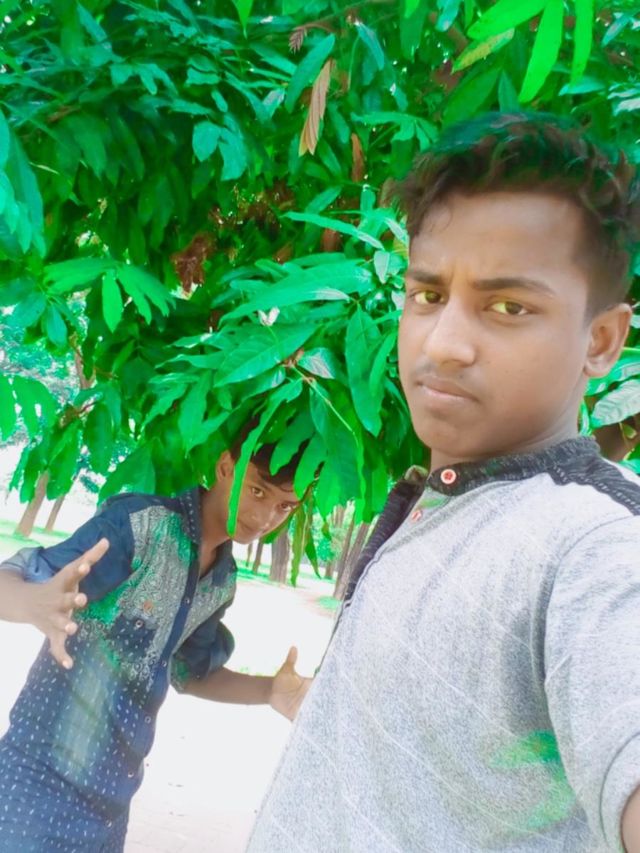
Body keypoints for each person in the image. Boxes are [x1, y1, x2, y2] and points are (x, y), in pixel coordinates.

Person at [247, 113, 640, 852]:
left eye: (508, 307)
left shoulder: (594, 545)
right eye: (428, 295)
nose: (445, 342)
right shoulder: (444, 498)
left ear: (601, 341)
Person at [0, 441, 312, 851]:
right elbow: (15, 580)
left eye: (285, 506)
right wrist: (31, 602)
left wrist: (269, 691)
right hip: (35, 787)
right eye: (257, 491)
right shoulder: (139, 526)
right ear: (225, 467)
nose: (266, 516)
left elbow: (188, 673)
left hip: (111, 807)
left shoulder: (221, 580)